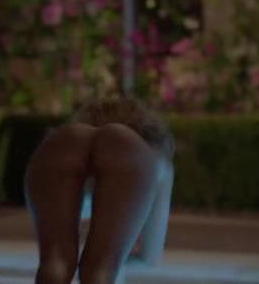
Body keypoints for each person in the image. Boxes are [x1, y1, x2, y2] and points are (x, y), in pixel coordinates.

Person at [25, 97, 174, 284]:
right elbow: (150, 255)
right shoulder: (157, 164)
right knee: (101, 270)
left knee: (54, 265)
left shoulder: (64, 143)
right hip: (130, 158)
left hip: (61, 144)